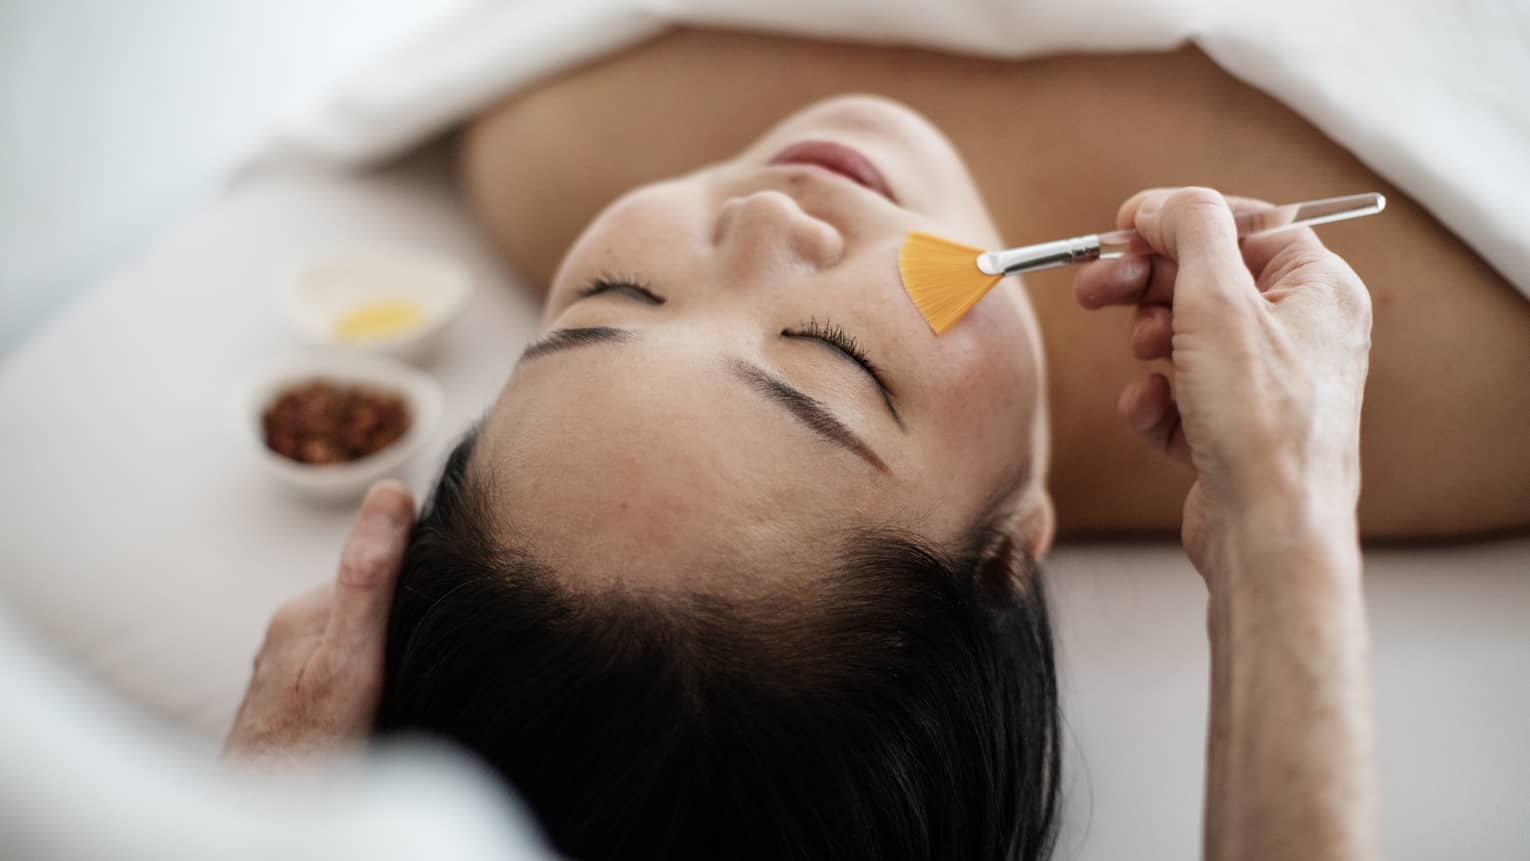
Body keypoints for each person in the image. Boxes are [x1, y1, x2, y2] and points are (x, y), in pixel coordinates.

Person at [231, 36, 1527, 861]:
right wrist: (1284, 517)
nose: (759, 224)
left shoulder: (547, 149)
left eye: (610, 303)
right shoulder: (1486, 372)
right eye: (833, 357)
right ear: (1008, 548)